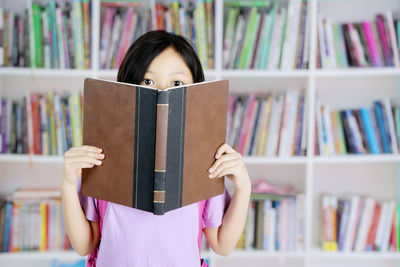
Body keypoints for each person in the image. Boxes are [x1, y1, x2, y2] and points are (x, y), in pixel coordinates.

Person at [61, 30, 251, 267]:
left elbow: (223, 244)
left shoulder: (202, 160)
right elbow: (84, 244)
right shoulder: (104, 154)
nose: (162, 92)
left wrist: (244, 187)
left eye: (177, 83)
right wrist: (68, 184)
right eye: (148, 81)